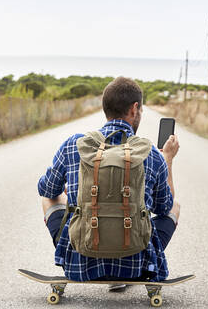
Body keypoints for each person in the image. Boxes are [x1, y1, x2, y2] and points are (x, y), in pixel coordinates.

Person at [38, 76, 180, 289]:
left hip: (80, 265)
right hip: (135, 266)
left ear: (105, 109)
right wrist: (167, 160)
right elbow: (164, 207)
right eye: (140, 110)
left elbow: (46, 189)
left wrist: (76, 194)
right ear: (134, 109)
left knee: (49, 198)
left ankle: (79, 256)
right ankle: (124, 269)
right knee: (175, 207)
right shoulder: (150, 153)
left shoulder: (73, 144)